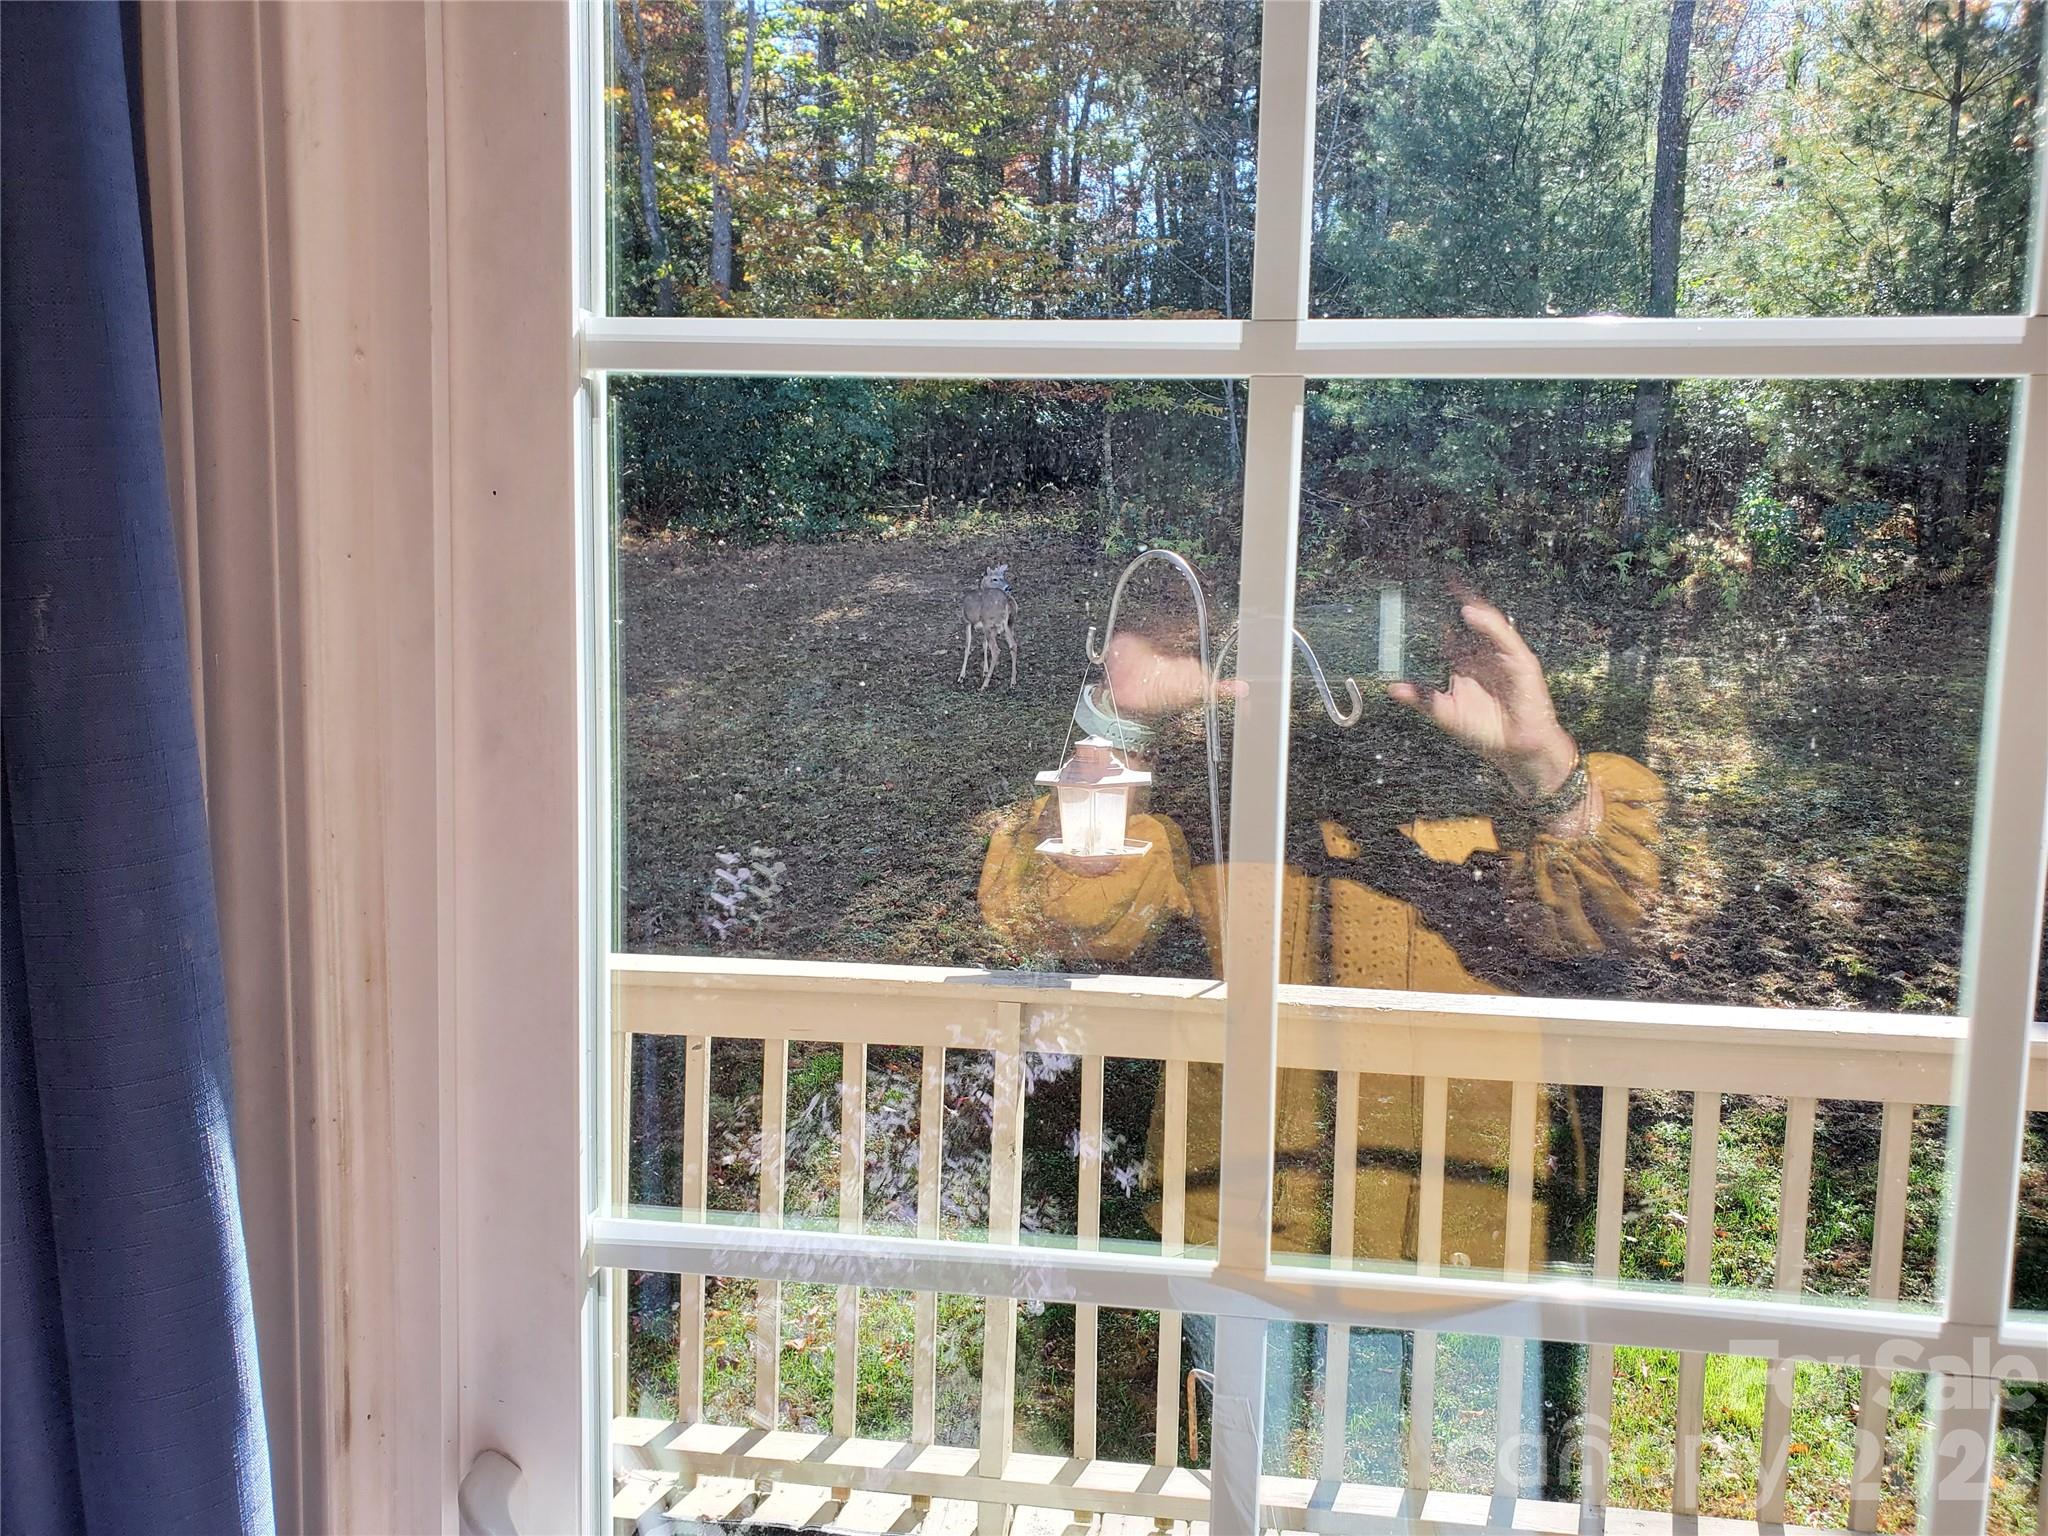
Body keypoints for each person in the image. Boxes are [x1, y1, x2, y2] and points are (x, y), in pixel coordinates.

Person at [978, 589, 1665, 1261]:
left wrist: (1538, 757)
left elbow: (1615, 922)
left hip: (1472, 1232)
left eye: (1390, 619)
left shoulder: (1514, 796)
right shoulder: (1204, 778)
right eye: (1304, 617)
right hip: (1243, 1232)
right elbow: (1070, 918)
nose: (1333, 653)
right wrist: (1118, 728)